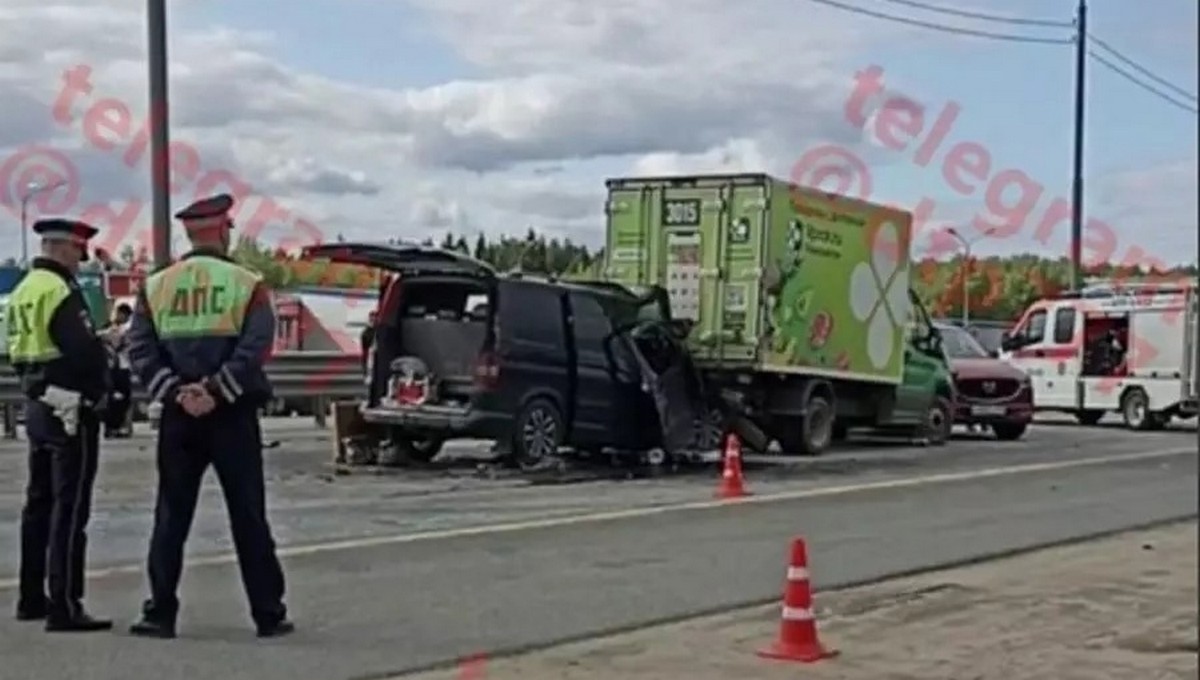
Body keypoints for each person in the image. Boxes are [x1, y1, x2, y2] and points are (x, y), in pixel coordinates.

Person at [126, 193, 292, 639]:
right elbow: (257, 347)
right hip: (232, 415)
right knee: (248, 516)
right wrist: (216, 390)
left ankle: (159, 613)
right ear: (222, 230)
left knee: (171, 516)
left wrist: (176, 391)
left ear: (188, 233)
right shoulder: (247, 283)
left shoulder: (157, 286)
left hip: (179, 418)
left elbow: (139, 348)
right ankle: (267, 614)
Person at [7, 218, 112, 632]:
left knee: (38, 504)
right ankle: (64, 604)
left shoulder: (23, 291)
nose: (79, 260)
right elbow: (84, 351)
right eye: (77, 252)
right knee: (69, 509)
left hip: (37, 404)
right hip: (71, 408)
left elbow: (15, 350)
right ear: (64, 248)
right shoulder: (60, 291)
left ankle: (30, 597)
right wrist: (101, 391)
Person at [101, 303, 134, 437]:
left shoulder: (128, 329)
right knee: (114, 398)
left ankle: (120, 426)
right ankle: (113, 427)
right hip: (115, 368)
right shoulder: (110, 327)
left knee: (123, 398)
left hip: (122, 367)